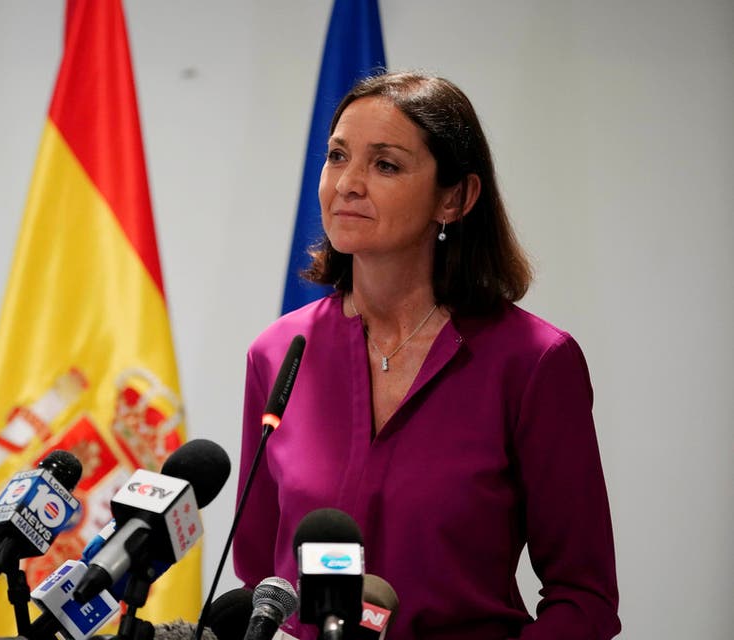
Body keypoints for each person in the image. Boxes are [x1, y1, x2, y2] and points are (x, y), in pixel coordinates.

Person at [232, 71, 620, 640]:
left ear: (455, 198)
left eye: (385, 165)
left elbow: (584, 599)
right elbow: (258, 575)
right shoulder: (279, 353)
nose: (348, 183)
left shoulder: (534, 362)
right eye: (338, 156)